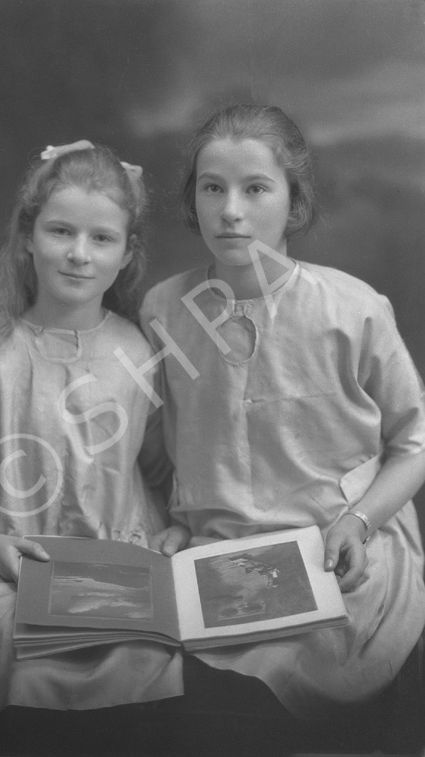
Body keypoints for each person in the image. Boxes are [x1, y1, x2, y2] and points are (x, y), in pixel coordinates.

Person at [0, 140, 185, 733]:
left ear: (127, 255)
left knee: (128, 673)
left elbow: (156, 468)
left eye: (102, 239)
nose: (78, 254)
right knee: (2, 661)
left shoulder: (139, 353)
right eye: (60, 231)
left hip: (111, 569)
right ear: (28, 237)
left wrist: (174, 525)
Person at [141, 104, 425, 719]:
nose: (231, 210)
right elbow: (165, 444)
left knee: (305, 670)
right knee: (150, 676)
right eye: (212, 188)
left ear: (293, 203)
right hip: (217, 555)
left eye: (256, 189)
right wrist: (174, 520)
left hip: (335, 551)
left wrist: (359, 522)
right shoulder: (165, 310)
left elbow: (414, 442)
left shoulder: (354, 309)